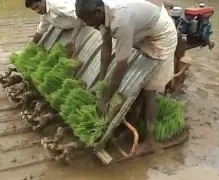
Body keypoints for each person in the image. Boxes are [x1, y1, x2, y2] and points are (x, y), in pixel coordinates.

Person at [75, 0, 178, 154]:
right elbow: (106, 46)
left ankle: (150, 141)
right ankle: (131, 122)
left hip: (161, 37)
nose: (87, 24)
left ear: (97, 12)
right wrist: (101, 81)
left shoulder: (120, 20)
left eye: (87, 20)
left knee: (149, 90)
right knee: (137, 82)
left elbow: (121, 66)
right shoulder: (103, 15)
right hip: (144, 34)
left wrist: (105, 99)